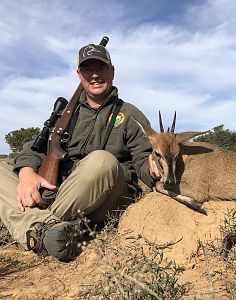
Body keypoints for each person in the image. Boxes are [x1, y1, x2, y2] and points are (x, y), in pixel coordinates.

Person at [0, 41, 160, 261]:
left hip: (106, 198)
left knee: (102, 161)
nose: (94, 75)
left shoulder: (130, 114)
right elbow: (34, 148)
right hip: (60, 194)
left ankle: (35, 222)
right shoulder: (66, 114)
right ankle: (48, 230)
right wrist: (27, 173)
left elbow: (144, 159)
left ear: (112, 72)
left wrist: (155, 167)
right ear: (79, 74)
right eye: (87, 69)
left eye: (101, 67)